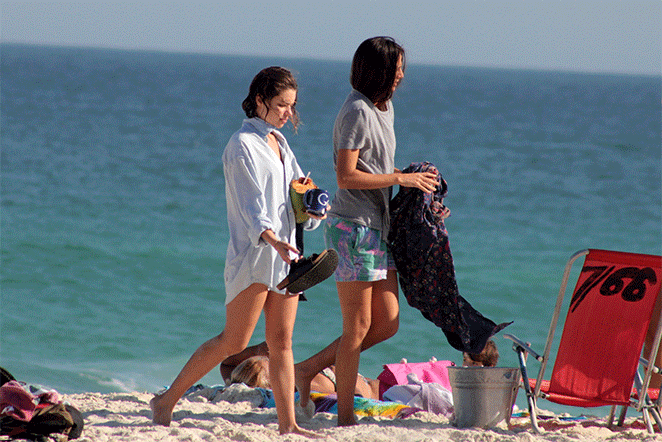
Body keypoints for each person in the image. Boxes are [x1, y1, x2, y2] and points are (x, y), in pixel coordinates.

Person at [150, 66, 323, 437]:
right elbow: (251, 207)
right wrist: (274, 240)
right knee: (234, 341)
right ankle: (166, 400)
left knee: (282, 342)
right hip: (256, 256)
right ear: (259, 100)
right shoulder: (241, 145)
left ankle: (288, 423)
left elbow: (294, 196)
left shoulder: (281, 142)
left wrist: (311, 205)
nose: (286, 113)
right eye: (280, 105)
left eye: (291, 106)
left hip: (287, 256)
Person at [294, 37, 440, 427]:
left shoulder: (384, 107)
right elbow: (346, 175)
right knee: (356, 328)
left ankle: (307, 369)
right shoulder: (356, 109)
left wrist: (418, 194)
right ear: (379, 71)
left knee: (388, 322)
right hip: (352, 228)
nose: (402, 76)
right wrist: (401, 179)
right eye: (397, 69)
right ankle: (344, 418)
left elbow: (379, 168)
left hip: (379, 227)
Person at [221, 342, 380, 400]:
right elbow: (354, 399)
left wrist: (257, 349)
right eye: (273, 364)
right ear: (272, 385)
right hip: (384, 389)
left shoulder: (241, 380)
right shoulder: (305, 387)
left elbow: (226, 365)